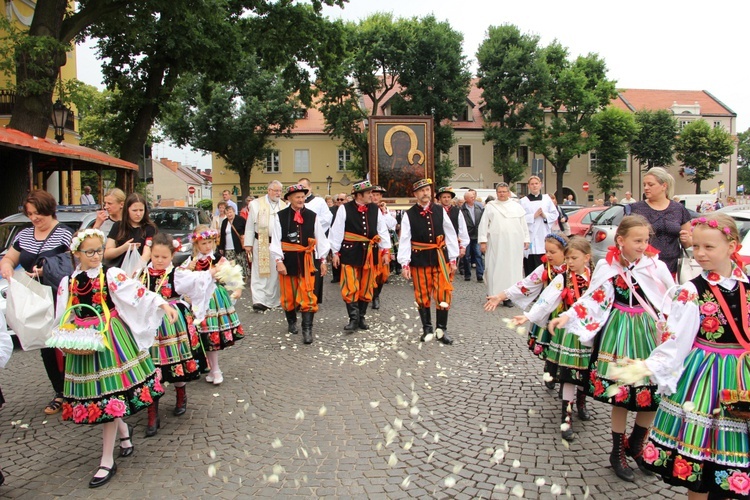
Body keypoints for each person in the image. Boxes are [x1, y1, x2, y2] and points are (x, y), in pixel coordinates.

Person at [608, 214, 750, 499]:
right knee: (701, 468)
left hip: (743, 373)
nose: (699, 253)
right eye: (696, 247)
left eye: (709, 247)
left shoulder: (747, 285)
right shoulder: (691, 291)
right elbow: (676, 343)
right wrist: (646, 366)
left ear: (732, 245)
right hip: (706, 379)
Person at [548, 215, 676, 483]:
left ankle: (636, 442)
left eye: (645, 240)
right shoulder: (609, 267)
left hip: (647, 332)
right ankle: (617, 451)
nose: (643, 245)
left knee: (652, 392)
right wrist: (568, 317)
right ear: (621, 241)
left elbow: (672, 297)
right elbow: (592, 299)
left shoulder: (655, 266)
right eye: (637, 240)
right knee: (621, 395)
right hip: (618, 333)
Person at [55, 228, 178, 488]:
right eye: (89, 252)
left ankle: (107, 460)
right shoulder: (69, 281)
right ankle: (125, 435)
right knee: (102, 392)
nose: (96, 256)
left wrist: (162, 304)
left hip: (110, 338)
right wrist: (63, 339)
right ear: (77, 253)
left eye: (99, 250)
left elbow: (137, 292)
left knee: (109, 394)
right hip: (83, 341)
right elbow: (62, 313)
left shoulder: (109, 274)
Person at [503, 237, 593, 441]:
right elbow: (546, 299)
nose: (569, 262)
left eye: (574, 258)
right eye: (568, 258)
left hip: (588, 331)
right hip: (567, 330)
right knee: (569, 374)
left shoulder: (595, 277)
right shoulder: (563, 278)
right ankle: (566, 417)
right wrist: (527, 316)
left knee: (586, 371)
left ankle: (582, 402)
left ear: (586, 258)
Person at [0, 190, 72, 416]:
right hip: (35, 297)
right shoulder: (25, 235)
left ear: (48, 209)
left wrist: (47, 270)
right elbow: (10, 257)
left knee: (68, 345)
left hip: (59, 296)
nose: (34, 218)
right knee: (46, 345)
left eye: (37, 213)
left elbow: (75, 263)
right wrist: (7, 268)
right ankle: (59, 391)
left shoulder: (64, 234)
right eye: (30, 214)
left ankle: (76, 389)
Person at [141, 233, 213, 436]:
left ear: (172, 256)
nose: (160, 261)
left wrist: (211, 274)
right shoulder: (142, 273)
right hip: (149, 325)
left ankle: (181, 393)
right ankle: (152, 411)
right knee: (151, 367)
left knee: (176, 362)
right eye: (156, 256)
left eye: (164, 257)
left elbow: (198, 281)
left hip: (172, 323)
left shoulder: (176, 274)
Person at [486, 234, 569, 365]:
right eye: (546, 251)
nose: (548, 255)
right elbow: (525, 284)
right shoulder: (545, 268)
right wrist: (501, 296)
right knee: (552, 345)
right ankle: (551, 370)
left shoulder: (573, 267)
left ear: (565, 252)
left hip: (568, 313)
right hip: (549, 311)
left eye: (552, 252)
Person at [398, 179, 459, 345]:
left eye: (427, 190)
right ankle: (427, 329)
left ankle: (441, 330)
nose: (425, 193)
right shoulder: (409, 214)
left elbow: (450, 234)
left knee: (443, 292)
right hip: (420, 259)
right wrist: (405, 263)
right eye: (421, 191)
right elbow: (405, 239)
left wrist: (453, 258)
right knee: (422, 294)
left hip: (441, 258)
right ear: (415, 194)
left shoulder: (440, 210)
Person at [270, 184, 330, 344]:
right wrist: (278, 261)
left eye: (303, 197)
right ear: (289, 199)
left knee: (308, 295)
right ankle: (291, 322)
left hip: (308, 261)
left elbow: (321, 239)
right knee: (288, 295)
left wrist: (323, 260)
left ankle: (307, 329)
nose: (301, 200)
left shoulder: (312, 216)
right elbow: (276, 241)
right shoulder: (280, 216)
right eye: (297, 197)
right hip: (288, 260)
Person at [184, 226, 244, 386]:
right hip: (198, 300)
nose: (207, 246)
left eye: (210, 242)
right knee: (203, 335)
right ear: (197, 245)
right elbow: (184, 280)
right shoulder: (192, 261)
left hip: (214, 298)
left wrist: (237, 287)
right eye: (203, 243)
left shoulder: (218, 259)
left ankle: (216, 369)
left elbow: (232, 273)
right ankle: (211, 368)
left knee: (211, 333)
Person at [329, 180, 392, 332]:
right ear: (358, 195)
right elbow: (337, 231)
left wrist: (385, 250)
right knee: (350, 285)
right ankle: (353, 318)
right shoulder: (344, 209)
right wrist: (335, 252)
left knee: (366, 285)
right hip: (350, 251)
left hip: (370, 253)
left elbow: (381, 230)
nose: (372, 195)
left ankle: (361, 317)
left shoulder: (375, 209)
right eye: (369, 193)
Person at [629, 167, 692, 275]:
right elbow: (629, 238)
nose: (646, 188)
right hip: (645, 268)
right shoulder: (637, 208)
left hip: (672, 268)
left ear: (664, 186)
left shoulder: (678, 208)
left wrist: (686, 239)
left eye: (650, 184)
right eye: (644, 185)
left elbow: (689, 242)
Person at [478, 183, 529, 303]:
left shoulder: (516, 206)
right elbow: (484, 224)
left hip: (514, 244)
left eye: (504, 191)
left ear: (509, 193)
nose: (502, 194)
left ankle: (510, 296)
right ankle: (493, 294)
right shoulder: (491, 206)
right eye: (500, 192)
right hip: (496, 243)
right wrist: (483, 241)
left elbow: (523, 225)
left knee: (512, 269)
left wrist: (526, 239)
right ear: (496, 193)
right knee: (495, 268)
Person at [244, 180, 287, 312]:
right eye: (276, 190)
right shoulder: (256, 204)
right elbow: (250, 225)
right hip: (261, 241)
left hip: (277, 243)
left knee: (274, 272)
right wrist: (248, 244)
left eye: (280, 191)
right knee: (259, 271)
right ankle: (259, 300)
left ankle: (273, 300)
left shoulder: (284, 205)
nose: (278, 193)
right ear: (269, 191)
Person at [298, 178, 333, 304]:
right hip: (298, 241)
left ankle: (313, 295)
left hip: (314, 239)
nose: (302, 189)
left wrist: (312, 224)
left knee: (314, 268)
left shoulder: (318, 202)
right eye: (299, 186)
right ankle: (299, 297)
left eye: (304, 186)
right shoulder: (295, 201)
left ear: (310, 188)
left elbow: (328, 217)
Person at [104, 193, 157, 271]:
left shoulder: (150, 228)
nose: (138, 214)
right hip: (118, 273)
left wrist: (134, 272)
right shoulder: (118, 226)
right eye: (134, 210)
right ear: (127, 210)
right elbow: (107, 254)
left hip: (140, 271)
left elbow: (147, 253)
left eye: (141, 210)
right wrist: (124, 248)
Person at [520, 176, 559, 276]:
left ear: (540, 185)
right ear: (528, 186)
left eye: (536, 183)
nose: (534, 186)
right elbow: (520, 217)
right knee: (531, 269)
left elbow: (555, 214)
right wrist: (533, 216)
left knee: (544, 268)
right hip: (530, 236)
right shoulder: (523, 201)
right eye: (532, 184)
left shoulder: (547, 199)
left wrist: (544, 215)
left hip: (543, 234)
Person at [370, 186, 397, 310]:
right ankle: (368, 294)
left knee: (382, 274)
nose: (375, 197)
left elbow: (392, 225)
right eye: (373, 194)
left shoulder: (386, 210)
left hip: (383, 246)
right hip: (369, 245)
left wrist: (384, 211)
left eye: (377, 195)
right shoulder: (366, 208)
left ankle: (376, 295)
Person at [436, 187, 469, 275]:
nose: (446, 199)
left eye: (448, 197)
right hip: (438, 244)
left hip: (453, 243)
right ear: (439, 199)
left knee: (451, 271)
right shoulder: (435, 211)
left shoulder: (457, 211)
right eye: (444, 197)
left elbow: (462, 229)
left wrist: (463, 246)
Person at [218, 205, 250, 281]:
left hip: (239, 246)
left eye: (230, 212)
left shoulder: (240, 219)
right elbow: (222, 235)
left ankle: (242, 278)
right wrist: (221, 247)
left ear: (234, 212)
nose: (229, 214)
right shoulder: (225, 222)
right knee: (230, 264)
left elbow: (247, 230)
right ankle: (232, 279)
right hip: (228, 247)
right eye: (227, 213)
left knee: (240, 262)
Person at [460, 189, 484, 282]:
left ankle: (480, 274)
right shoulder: (462, 210)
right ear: (466, 199)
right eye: (471, 197)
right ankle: (467, 274)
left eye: (473, 196)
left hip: (477, 234)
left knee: (478, 254)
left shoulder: (479, 207)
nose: (473, 198)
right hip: (467, 235)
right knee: (466, 256)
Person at [329, 193, 347, 284]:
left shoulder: (347, 209)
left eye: (342, 199)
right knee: (335, 255)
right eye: (338, 199)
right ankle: (336, 276)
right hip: (334, 235)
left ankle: (343, 274)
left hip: (346, 237)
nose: (339, 201)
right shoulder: (331, 210)